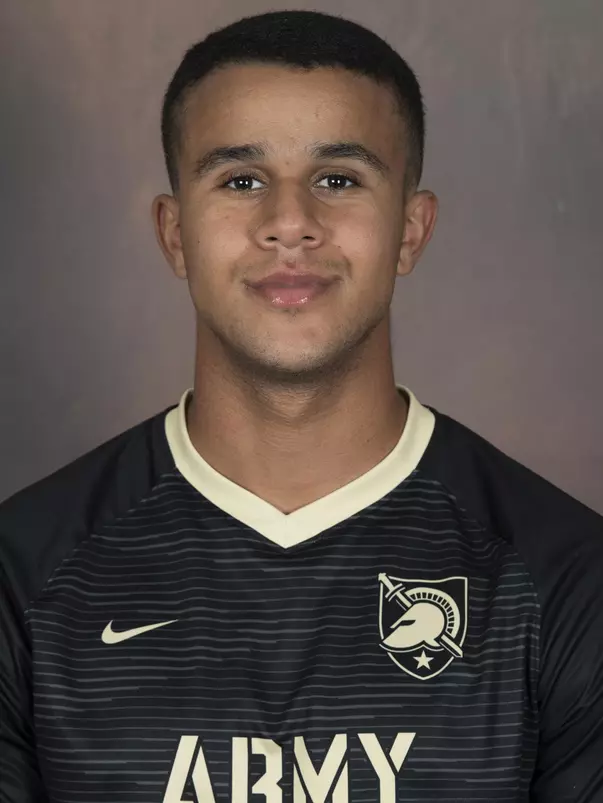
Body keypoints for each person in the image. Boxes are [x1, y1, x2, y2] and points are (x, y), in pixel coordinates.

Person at [1, 8, 602, 802]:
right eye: (240, 180)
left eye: (338, 179)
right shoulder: (26, 569)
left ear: (410, 230)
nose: (289, 223)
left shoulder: (564, 575)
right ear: (175, 234)